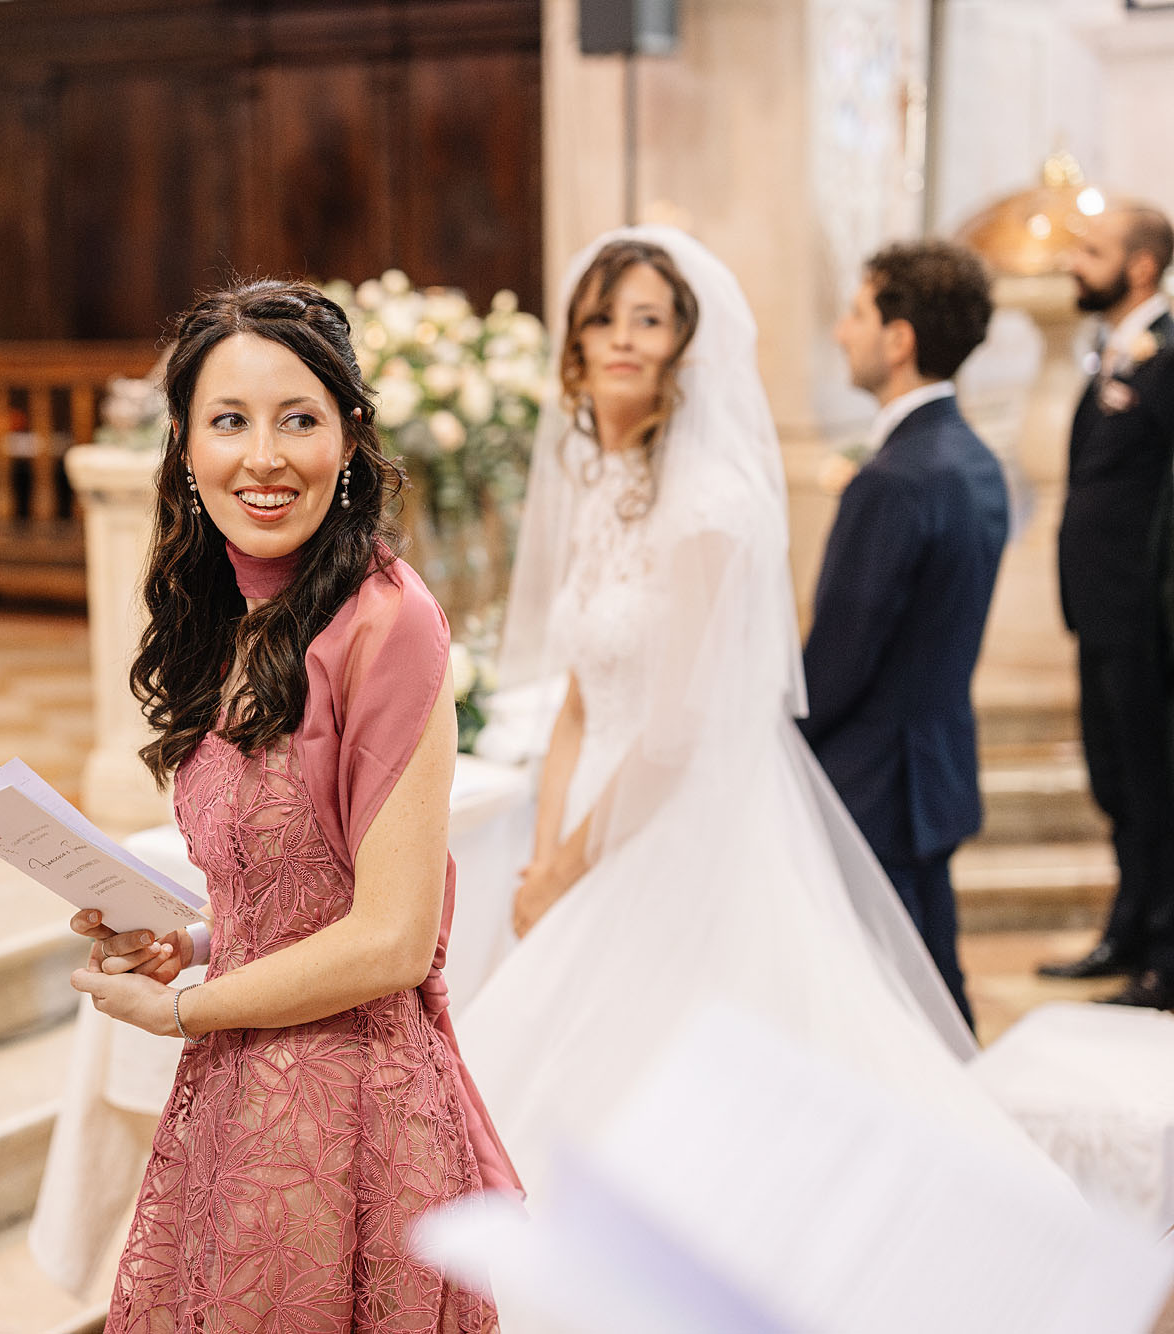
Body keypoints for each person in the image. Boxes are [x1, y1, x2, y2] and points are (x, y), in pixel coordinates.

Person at [457, 227, 1074, 1204]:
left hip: (669, 823)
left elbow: (674, 731)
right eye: (601, 318)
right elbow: (577, 695)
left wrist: (568, 866)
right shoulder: (600, 482)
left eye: (647, 319)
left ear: (682, 345)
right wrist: (542, 852)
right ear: (571, 343)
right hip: (578, 812)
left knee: (683, 1096)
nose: (620, 337)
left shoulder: (708, 499)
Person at [67, 280, 518, 1331]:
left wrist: (183, 1006)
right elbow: (301, 890)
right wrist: (191, 937)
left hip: (347, 1108)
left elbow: (393, 938)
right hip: (234, 1090)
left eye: (297, 419)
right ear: (184, 445)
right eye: (228, 421)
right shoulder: (227, 614)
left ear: (350, 440)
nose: (260, 457)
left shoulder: (386, 623)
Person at [803, 240, 1008, 1029]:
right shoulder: (973, 458)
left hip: (876, 783)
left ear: (899, 339)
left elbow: (842, 657)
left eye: (856, 313)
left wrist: (774, 741)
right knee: (934, 991)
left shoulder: (894, 481)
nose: (839, 332)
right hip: (934, 768)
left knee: (887, 1012)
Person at [1036, 204, 1174, 1011]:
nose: (1071, 263)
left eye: (1090, 251)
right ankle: (1127, 929)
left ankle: (1164, 952)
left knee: (1156, 786)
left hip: (1145, 613)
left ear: (1142, 267)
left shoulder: (1167, 357)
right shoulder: (1113, 351)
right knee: (1116, 779)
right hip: (1099, 609)